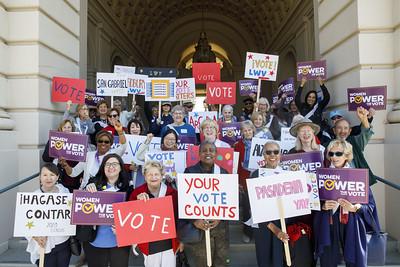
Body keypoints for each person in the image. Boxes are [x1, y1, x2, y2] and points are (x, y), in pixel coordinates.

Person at [314, 139, 380, 267]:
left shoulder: (357, 176)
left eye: (338, 154)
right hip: (329, 224)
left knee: (354, 260)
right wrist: (323, 206)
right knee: (328, 261)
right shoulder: (322, 175)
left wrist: (355, 207)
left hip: (352, 224)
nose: (334, 157)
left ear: (347, 155)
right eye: (331, 154)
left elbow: (370, 205)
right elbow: (313, 203)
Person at [183, 141, 229, 267]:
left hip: (219, 227)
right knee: (201, 262)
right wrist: (194, 220)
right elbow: (184, 200)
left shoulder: (223, 173)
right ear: (199, 154)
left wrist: (220, 216)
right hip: (199, 227)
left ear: (216, 154)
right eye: (204, 150)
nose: (208, 153)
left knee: (221, 262)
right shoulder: (190, 172)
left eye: (211, 150)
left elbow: (229, 199)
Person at [246, 141, 289, 267]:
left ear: (280, 154)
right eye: (268, 152)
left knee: (281, 260)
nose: (272, 155)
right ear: (263, 155)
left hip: (283, 223)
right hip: (263, 225)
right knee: (264, 260)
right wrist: (272, 227)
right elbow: (251, 206)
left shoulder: (287, 175)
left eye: (275, 152)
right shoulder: (255, 175)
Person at [129, 160, 180, 267]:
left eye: (156, 174)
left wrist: (181, 241)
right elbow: (130, 219)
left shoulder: (173, 194)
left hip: (168, 243)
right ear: (144, 176)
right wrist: (137, 203)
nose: (153, 177)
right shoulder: (136, 193)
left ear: (162, 176)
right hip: (148, 244)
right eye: (150, 174)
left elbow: (179, 220)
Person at [84, 154, 131, 267]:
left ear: (120, 167)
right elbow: (83, 208)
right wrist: (87, 190)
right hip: (95, 240)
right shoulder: (93, 184)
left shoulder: (128, 187)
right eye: (107, 164)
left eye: (114, 164)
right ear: (103, 167)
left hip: (119, 241)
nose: (111, 167)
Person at [26, 163, 71, 266]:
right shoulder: (34, 197)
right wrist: (35, 237)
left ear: (57, 177)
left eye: (52, 174)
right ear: (40, 178)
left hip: (63, 243)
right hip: (44, 246)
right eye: (45, 175)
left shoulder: (65, 192)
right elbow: (26, 222)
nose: (48, 178)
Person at [60, 123, 127, 189]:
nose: (103, 143)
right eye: (100, 141)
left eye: (106, 142)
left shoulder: (113, 155)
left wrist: (120, 132)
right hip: (86, 190)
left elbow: (123, 146)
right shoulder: (89, 155)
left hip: (105, 191)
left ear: (111, 143)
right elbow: (73, 173)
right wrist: (66, 165)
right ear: (96, 142)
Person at [330, 106, 377, 185]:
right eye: (339, 128)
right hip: (338, 185)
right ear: (334, 130)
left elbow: (366, 133)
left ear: (349, 131)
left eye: (345, 128)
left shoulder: (355, 142)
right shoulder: (328, 145)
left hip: (359, 185)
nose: (342, 131)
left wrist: (364, 118)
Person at [42, 119, 82, 192]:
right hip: (58, 175)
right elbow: (45, 158)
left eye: (69, 127)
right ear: (61, 129)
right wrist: (55, 151)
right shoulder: (53, 140)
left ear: (72, 129)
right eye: (64, 127)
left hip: (72, 178)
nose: (66, 129)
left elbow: (81, 161)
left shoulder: (78, 141)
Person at [233, 120, 256, 243]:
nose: (247, 132)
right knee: (247, 207)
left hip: (258, 179)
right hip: (245, 179)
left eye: (249, 130)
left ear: (253, 130)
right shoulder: (238, 145)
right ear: (242, 132)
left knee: (258, 208)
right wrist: (238, 181)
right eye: (245, 130)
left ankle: (258, 233)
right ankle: (247, 232)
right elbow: (236, 164)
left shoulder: (260, 143)